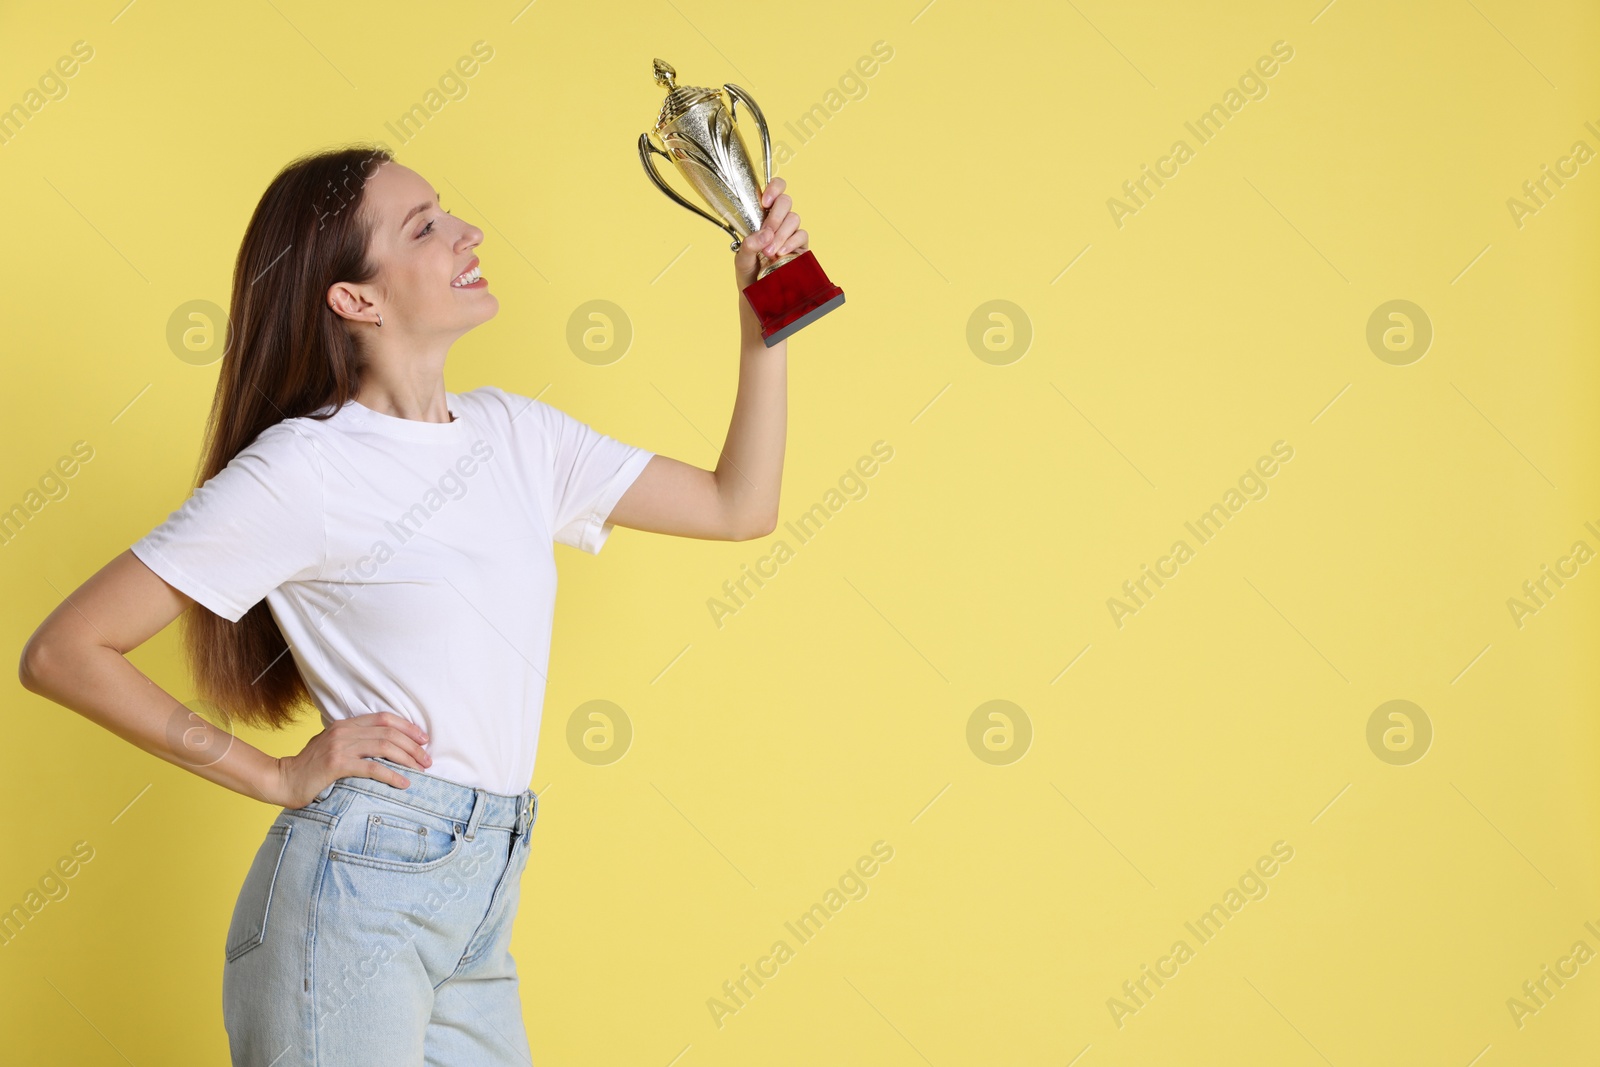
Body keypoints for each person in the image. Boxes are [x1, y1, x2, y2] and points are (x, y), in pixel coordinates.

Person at [16, 143, 807, 1065]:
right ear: (356, 300)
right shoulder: (302, 470)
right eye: (424, 227)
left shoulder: (520, 434)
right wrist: (274, 776)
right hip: (357, 895)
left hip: (482, 890)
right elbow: (63, 651)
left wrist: (768, 312)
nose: (468, 234)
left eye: (446, 212)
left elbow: (738, 506)